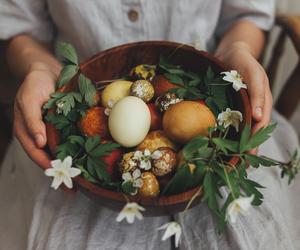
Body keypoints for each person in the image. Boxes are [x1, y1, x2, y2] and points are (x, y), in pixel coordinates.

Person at [0, 0, 299, 249]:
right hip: (74, 108)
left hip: (208, 97)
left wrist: (238, 49)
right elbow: (21, 28)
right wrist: (38, 67)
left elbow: (246, 15)